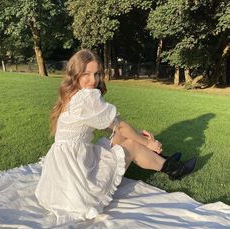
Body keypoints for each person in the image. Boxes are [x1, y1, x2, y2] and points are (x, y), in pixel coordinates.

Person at [35, 49, 196, 225]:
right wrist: (146, 142)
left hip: (63, 165)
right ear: (76, 74)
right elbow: (119, 125)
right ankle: (173, 169)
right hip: (75, 173)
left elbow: (111, 127)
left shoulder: (72, 93)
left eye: (96, 74)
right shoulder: (86, 98)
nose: (93, 80)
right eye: (86, 74)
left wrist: (140, 134)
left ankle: (163, 159)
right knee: (132, 145)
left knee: (121, 139)